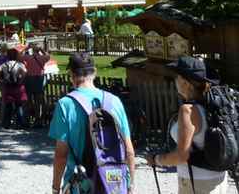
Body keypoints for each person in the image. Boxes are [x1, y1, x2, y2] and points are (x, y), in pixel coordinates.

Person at [50, 52, 135, 194]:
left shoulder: (65, 105)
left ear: (71, 74)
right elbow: (129, 150)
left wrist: (55, 188)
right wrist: (130, 185)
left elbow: (61, 155)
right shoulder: (115, 102)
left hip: (80, 184)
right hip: (114, 184)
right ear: (94, 72)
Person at [146, 56, 226, 194]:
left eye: (178, 77)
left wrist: (156, 159)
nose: (175, 81)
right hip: (219, 179)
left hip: (196, 182)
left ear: (186, 83)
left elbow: (181, 156)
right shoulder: (214, 106)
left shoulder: (188, 111)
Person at [0, 47, 28, 129]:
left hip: (8, 86)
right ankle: (20, 123)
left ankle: (6, 124)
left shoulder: (4, 65)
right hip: (17, 86)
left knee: (8, 106)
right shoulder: (19, 64)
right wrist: (21, 79)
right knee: (18, 105)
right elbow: (25, 72)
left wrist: (1, 79)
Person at [22, 42, 50, 127]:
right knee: (38, 101)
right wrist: (42, 50)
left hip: (29, 79)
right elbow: (48, 56)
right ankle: (38, 121)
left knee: (28, 101)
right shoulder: (42, 58)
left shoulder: (28, 57)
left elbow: (19, 56)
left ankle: (27, 120)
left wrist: (26, 48)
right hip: (39, 79)